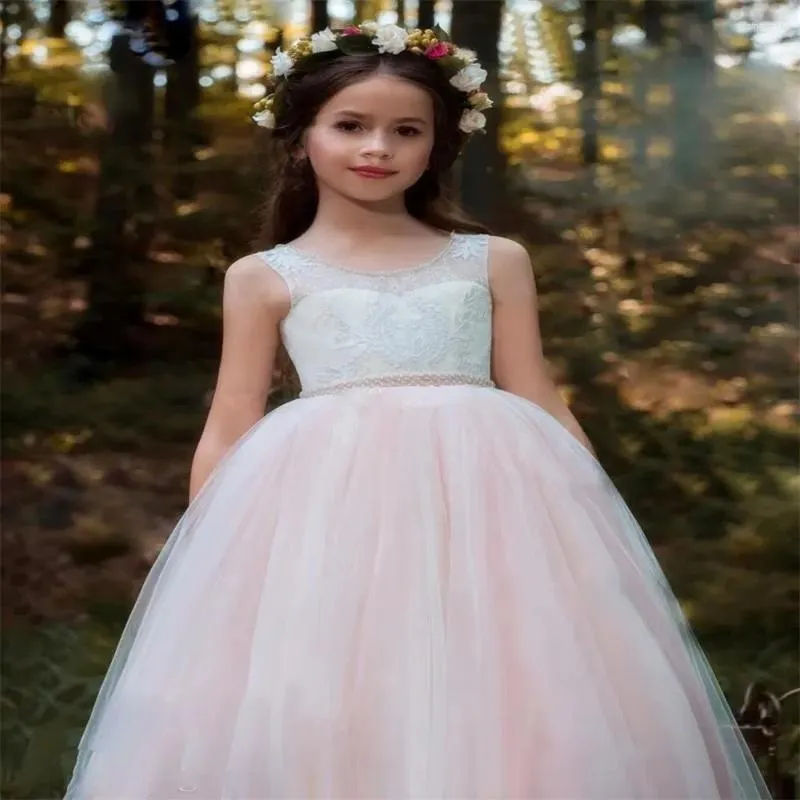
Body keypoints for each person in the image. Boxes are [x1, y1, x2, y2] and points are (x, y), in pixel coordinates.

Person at [65, 22, 770, 799]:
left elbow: (534, 388)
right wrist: (208, 558)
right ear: (300, 140)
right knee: (337, 678)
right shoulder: (263, 276)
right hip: (324, 506)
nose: (378, 148)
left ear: (437, 145)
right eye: (350, 126)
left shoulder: (493, 259)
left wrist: (593, 519)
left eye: (406, 130)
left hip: (492, 502)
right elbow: (230, 421)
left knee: (504, 674)